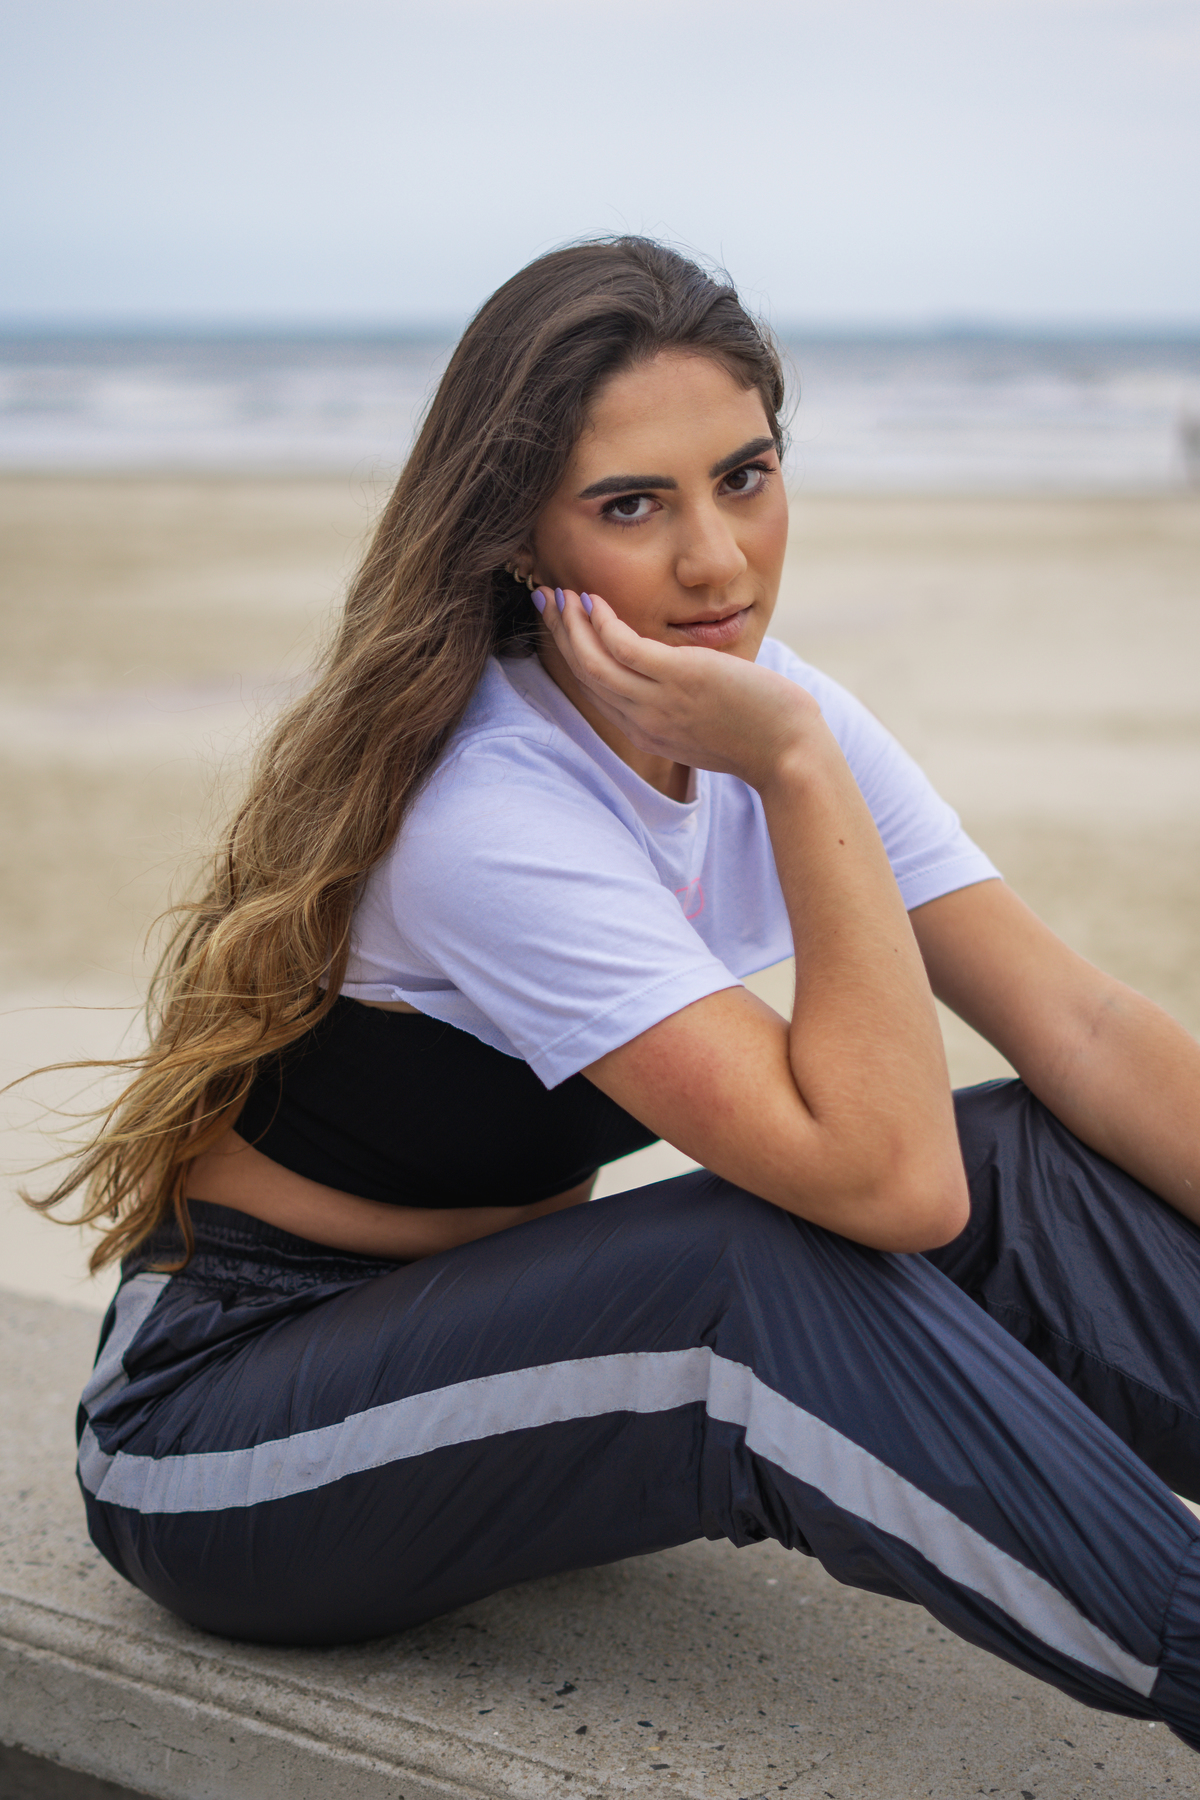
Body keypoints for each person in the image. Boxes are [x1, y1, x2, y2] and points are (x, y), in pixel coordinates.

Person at [35, 238, 1200, 1749]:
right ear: (519, 534)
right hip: (222, 1435)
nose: (718, 560)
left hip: (500, 1353)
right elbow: (892, 1184)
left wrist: (795, 754)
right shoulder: (490, 803)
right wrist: (795, 772)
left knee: (1030, 1166)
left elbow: (1086, 1030)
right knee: (753, 1269)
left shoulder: (777, 712)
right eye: (633, 506)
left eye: (746, 477)